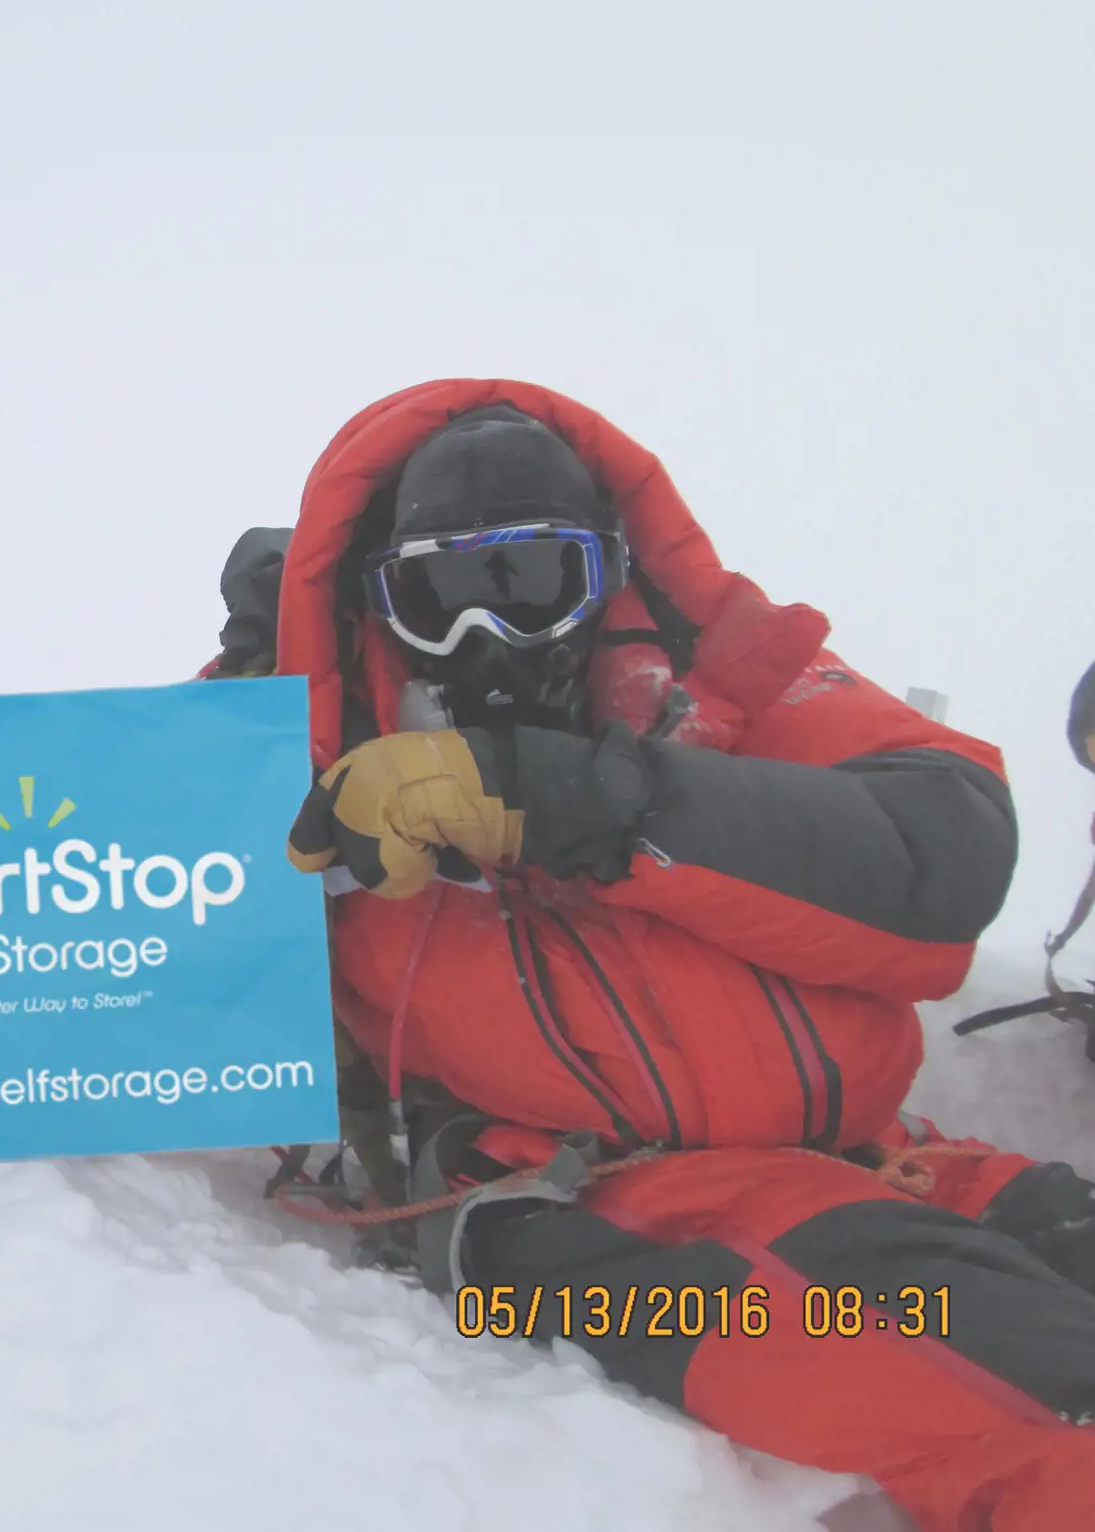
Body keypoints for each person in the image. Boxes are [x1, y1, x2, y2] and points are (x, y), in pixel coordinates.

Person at [249, 380, 1095, 1530]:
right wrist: (239, 703)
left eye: (532, 579)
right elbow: (118, 880)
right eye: (435, 596)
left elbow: (941, 858)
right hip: (586, 1220)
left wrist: (573, 798)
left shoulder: (725, 686)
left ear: (609, 572)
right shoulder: (322, 741)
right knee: (1051, 1413)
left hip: (891, 1163)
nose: (483, 634)